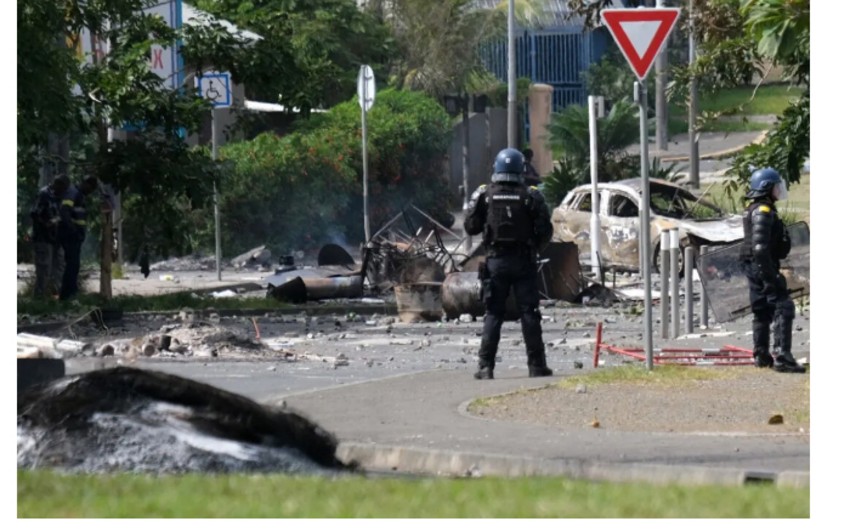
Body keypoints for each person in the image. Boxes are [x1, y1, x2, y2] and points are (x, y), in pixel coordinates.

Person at [464, 147, 554, 380]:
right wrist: (533, 247)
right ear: (521, 169)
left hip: (496, 262)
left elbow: (470, 227)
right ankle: (536, 366)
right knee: (529, 313)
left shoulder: (485, 195)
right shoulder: (531, 195)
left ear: (496, 167)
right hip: (524, 261)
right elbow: (545, 231)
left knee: (493, 313)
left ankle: (485, 367)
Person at [738, 167, 805, 373]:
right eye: (776, 186)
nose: (779, 190)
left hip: (754, 266)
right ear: (767, 188)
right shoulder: (763, 211)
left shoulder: (754, 208)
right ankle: (782, 357)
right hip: (762, 266)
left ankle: (762, 355)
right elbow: (759, 247)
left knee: (762, 311)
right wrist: (772, 275)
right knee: (783, 306)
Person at [58, 175, 99, 301]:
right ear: (85, 183)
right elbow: (64, 211)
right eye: (90, 188)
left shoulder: (80, 196)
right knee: (72, 264)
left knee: (74, 265)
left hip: (76, 236)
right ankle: (67, 295)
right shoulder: (73, 193)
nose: (90, 192)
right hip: (70, 235)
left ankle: (70, 293)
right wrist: (73, 229)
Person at [30, 176, 69, 298]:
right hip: (43, 238)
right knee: (44, 268)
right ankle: (39, 296)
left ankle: (56, 295)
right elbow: (35, 213)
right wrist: (46, 223)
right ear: (57, 184)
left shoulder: (61, 197)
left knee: (60, 267)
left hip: (57, 238)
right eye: (62, 188)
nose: (63, 192)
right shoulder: (44, 194)